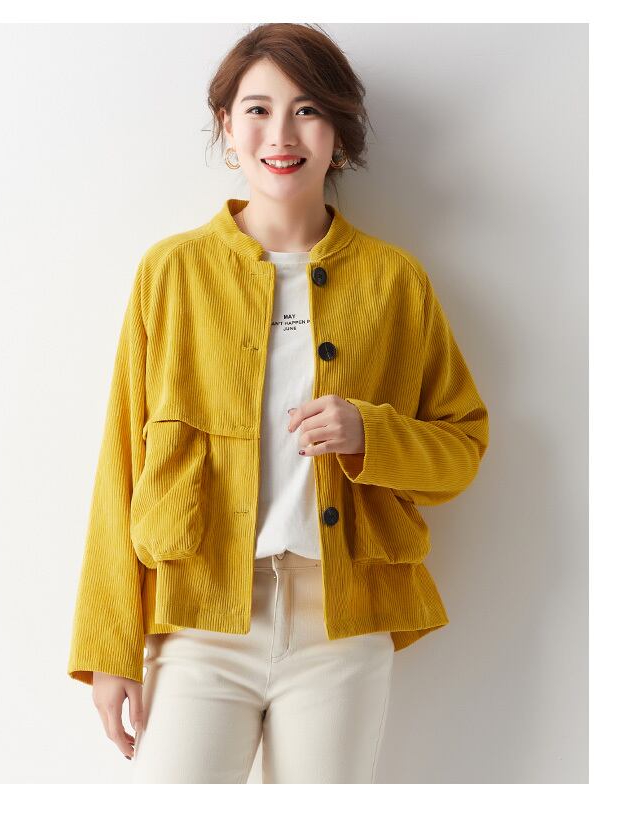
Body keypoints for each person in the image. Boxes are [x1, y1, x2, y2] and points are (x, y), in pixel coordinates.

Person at [67, 23, 490, 784]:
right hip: (197, 622)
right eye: (257, 109)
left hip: (341, 627)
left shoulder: (396, 282)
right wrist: (108, 647)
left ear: (339, 133)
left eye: (308, 110)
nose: (282, 134)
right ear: (227, 127)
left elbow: (461, 447)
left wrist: (370, 433)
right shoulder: (171, 273)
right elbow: (120, 461)